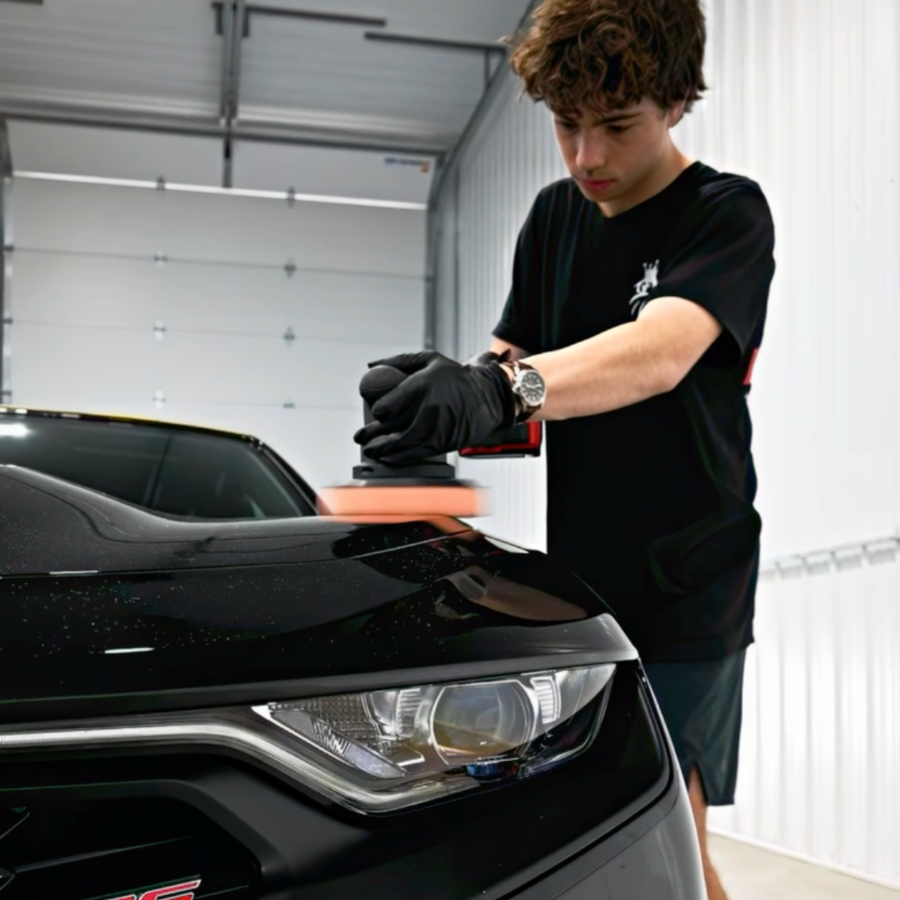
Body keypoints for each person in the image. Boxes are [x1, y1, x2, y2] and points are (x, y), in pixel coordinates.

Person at [354, 2, 775, 897]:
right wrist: (440, 403)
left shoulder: (723, 214)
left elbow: (657, 355)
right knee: (584, 829)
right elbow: (517, 380)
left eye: (615, 127)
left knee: (668, 840)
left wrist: (499, 389)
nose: (587, 157)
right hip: (580, 581)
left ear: (674, 104)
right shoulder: (554, 218)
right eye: (566, 125)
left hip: (691, 580)